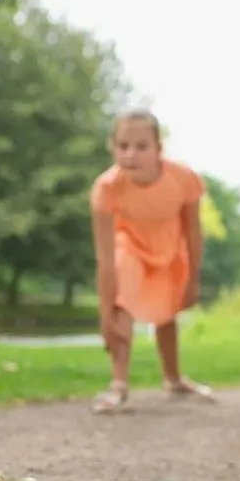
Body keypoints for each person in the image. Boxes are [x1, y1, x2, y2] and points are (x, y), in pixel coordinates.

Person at [88, 109, 215, 414]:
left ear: (159, 147)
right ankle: (118, 384)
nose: (131, 155)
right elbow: (105, 260)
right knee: (123, 295)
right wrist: (105, 314)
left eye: (141, 146)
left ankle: (173, 379)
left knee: (166, 312)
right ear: (113, 147)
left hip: (169, 247)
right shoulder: (106, 188)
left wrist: (193, 279)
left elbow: (193, 232)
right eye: (123, 146)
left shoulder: (184, 178)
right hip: (129, 245)